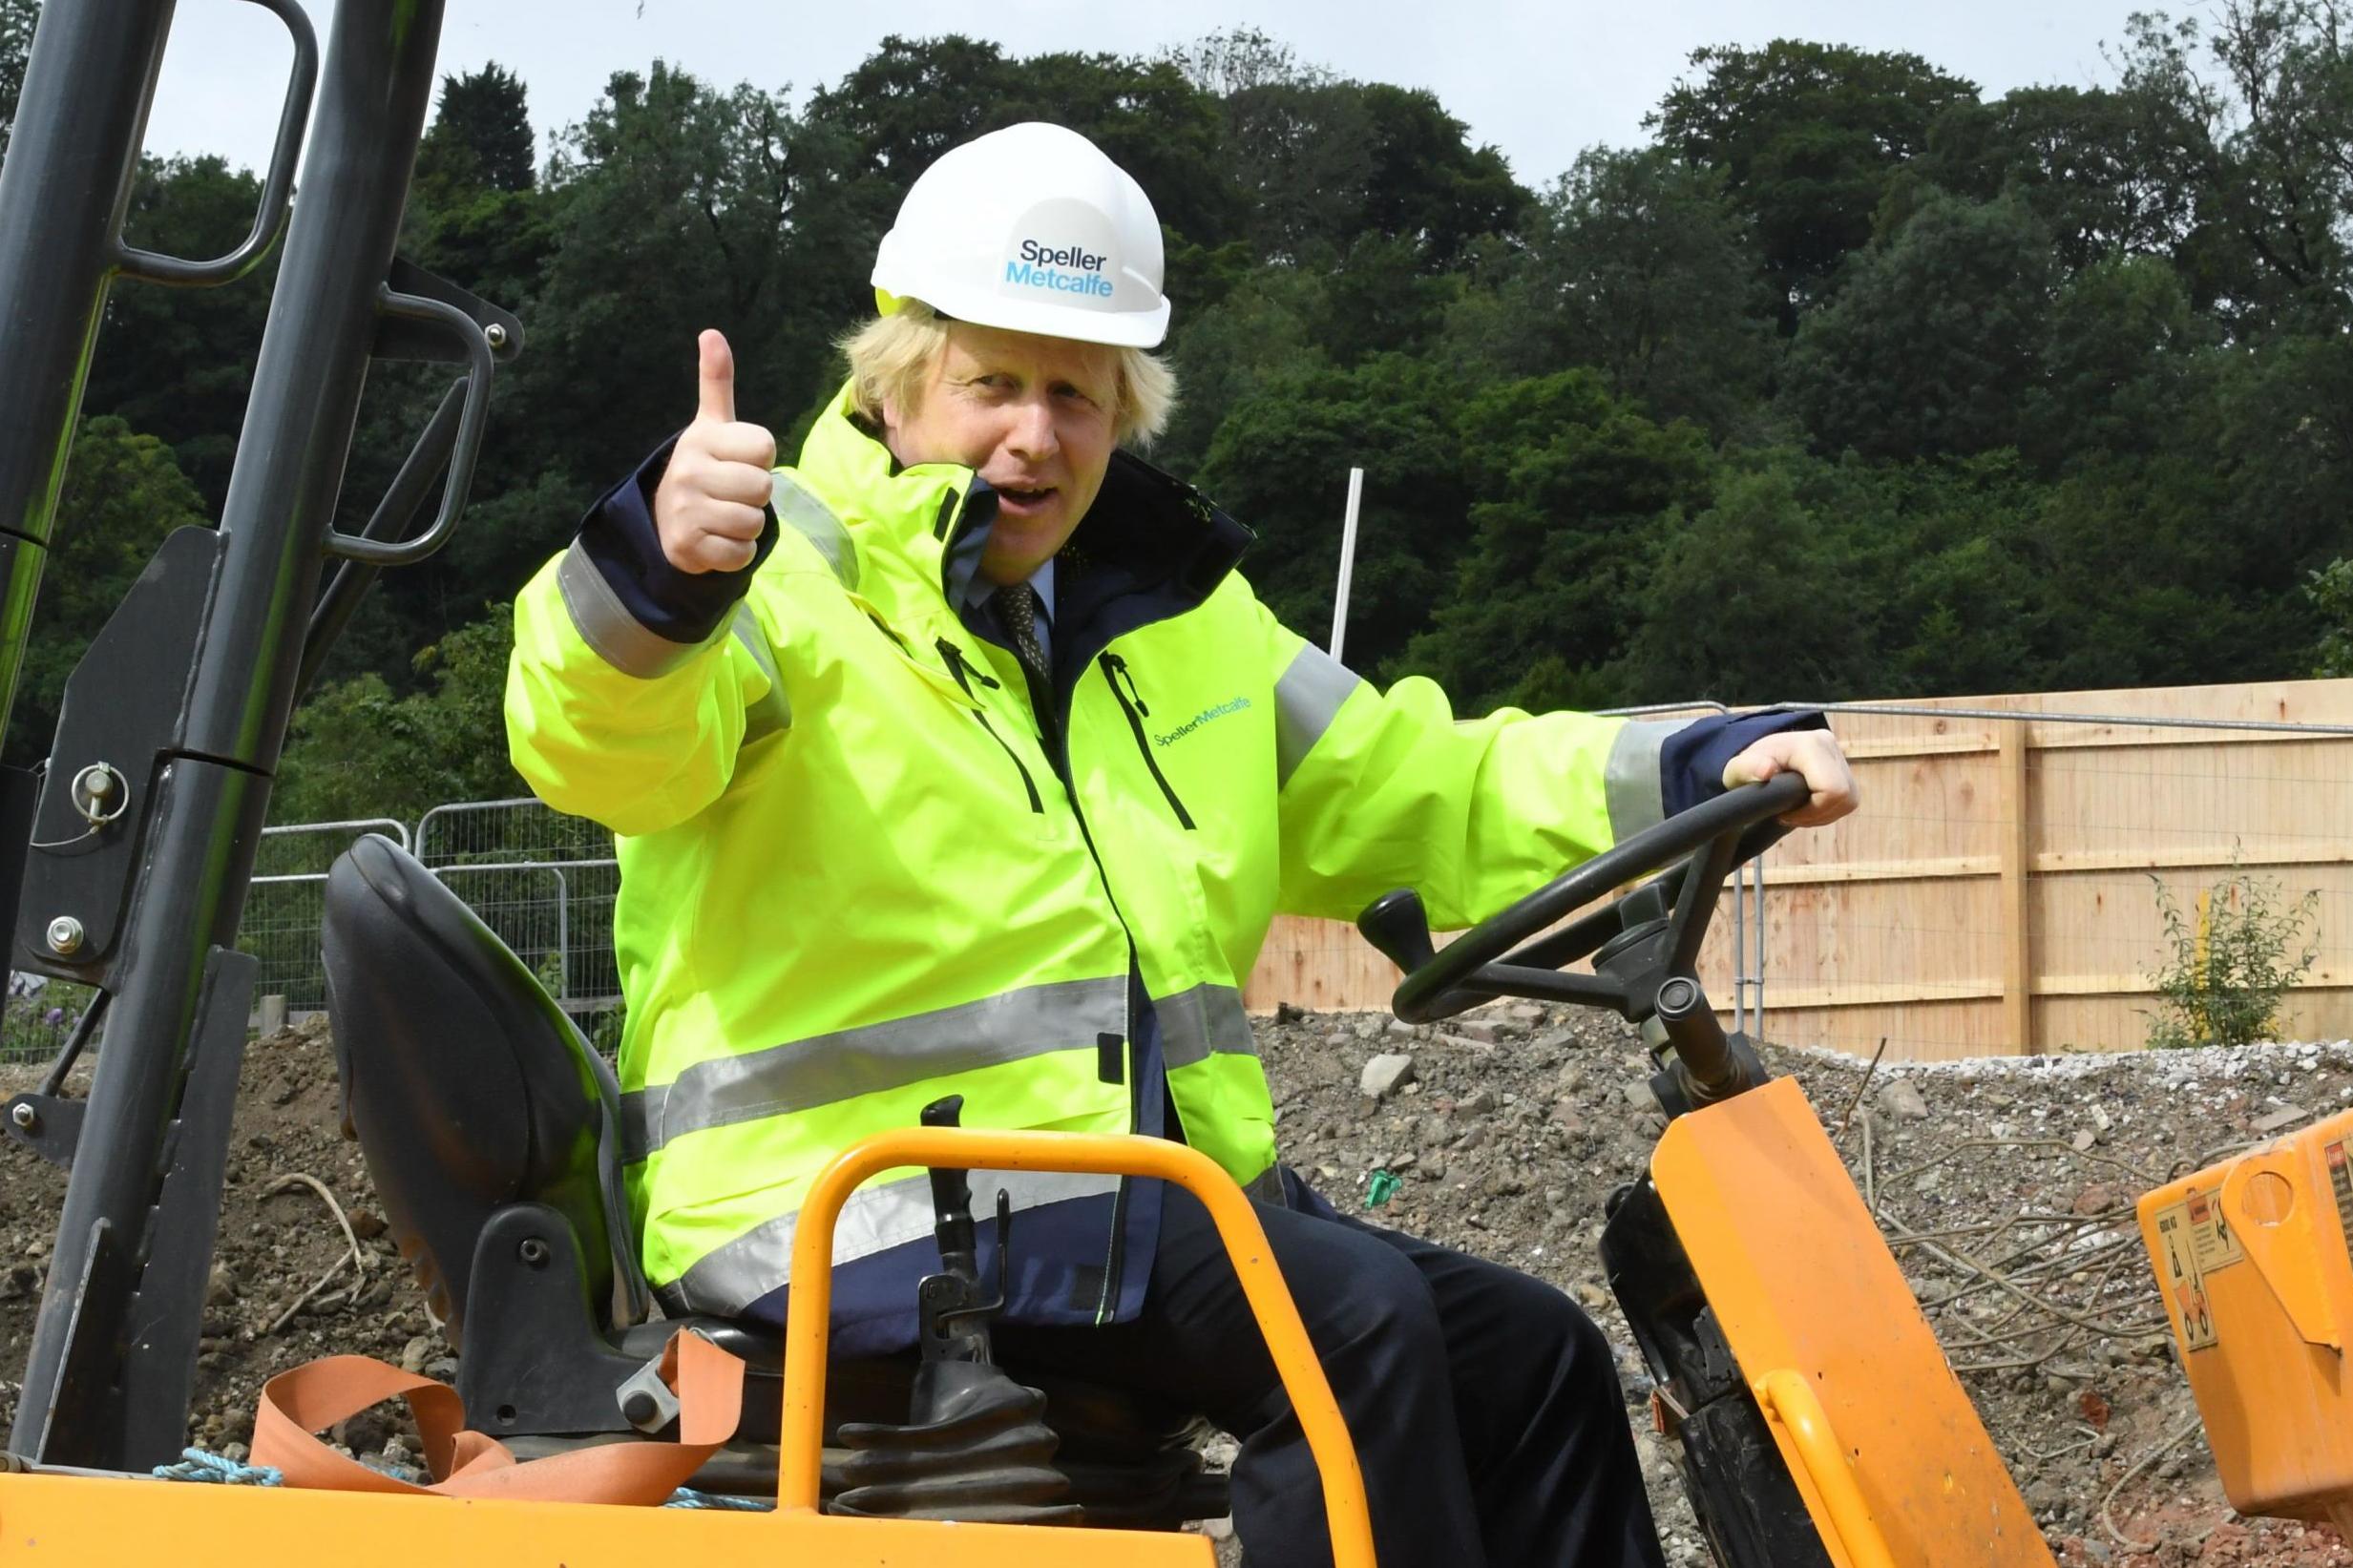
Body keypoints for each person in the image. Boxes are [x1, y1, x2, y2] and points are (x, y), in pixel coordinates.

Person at [505, 120, 1857, 1567]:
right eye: (993, 385)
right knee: (1349, 1331)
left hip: (1116, 1199)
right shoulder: (772, 576)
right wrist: (653, 575)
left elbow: (1425, 783)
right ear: (898, 382)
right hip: (855, 1210)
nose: (1035, 433)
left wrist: (1703, 758)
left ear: (1124, 414)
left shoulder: (1173, 622)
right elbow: (600, 747)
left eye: (1076, 397)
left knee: (1527, 1358)